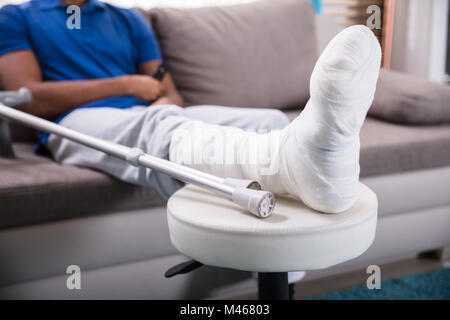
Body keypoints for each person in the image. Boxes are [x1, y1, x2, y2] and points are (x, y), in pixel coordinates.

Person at [0, 0, 381, 213]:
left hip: (151, 114)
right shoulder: (16, 17)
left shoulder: (128, 20)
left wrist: (159, 100)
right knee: (157, 121)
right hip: (75, 123)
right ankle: (304, 169)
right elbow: (29, 96)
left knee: (270, 122)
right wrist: (127, 84)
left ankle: (311, 178)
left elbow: (170, 95)